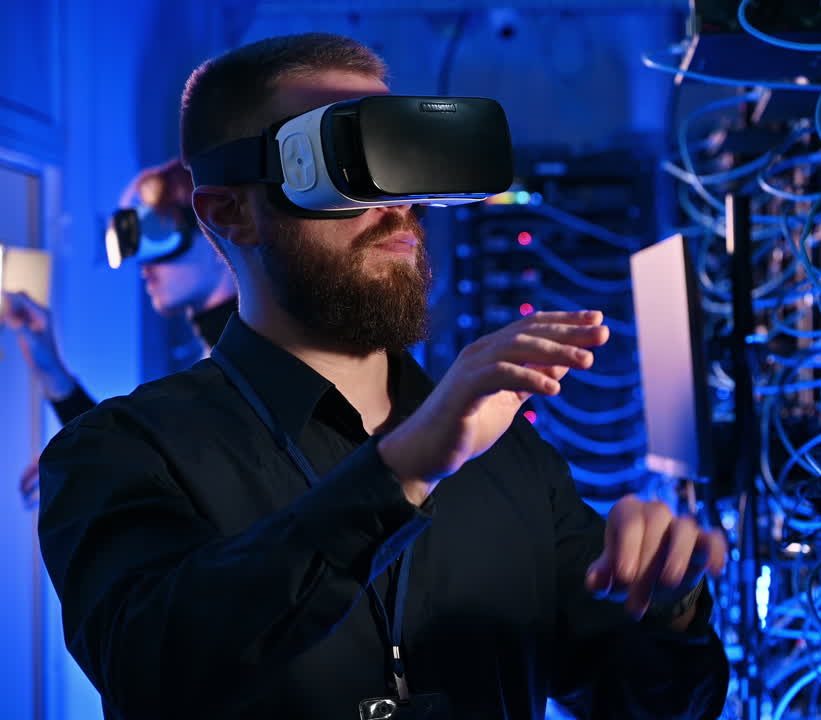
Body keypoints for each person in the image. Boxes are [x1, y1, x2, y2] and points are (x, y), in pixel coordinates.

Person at [38, 32, 729, 720]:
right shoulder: (121, 452)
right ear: (231, 213)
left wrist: (670, 605)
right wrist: (401, 472)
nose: (397, 203)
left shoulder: (508, 456)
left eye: (399, 160)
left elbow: (652, 704)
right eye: (347, 162)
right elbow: (152, 671)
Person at [5, 158, 236, 503]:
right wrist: (53, 372)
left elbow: (166, 476)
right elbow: (149, 462)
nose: (142, 263)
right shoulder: (224, 357)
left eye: (158, 231)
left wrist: (86, 459)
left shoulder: (249, 363)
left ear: (217, 230)